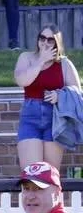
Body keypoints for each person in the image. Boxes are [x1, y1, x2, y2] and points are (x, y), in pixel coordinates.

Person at [14, 25, 80, 171]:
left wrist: (60, 96)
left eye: (50, 40)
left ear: (57, 43)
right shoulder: (27, 58)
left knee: (50, 174)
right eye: (42, 38)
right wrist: (41, 61)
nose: (45, 42)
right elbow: (22, 81)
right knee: (32, 173)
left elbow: (77, 93)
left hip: (55, 120)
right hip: (30, 118)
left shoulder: (64, 63)